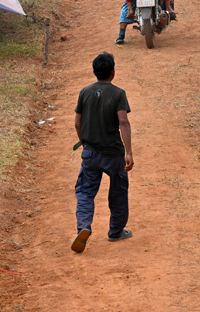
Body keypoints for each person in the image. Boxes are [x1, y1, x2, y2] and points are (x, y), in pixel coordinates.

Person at [72, 53, 133, 252]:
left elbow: (77, 122)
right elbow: (123, 121)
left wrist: (84, 142)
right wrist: (129, 152)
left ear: (94, 72)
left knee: (85, 192)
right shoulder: (118, 94)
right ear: (113, 73)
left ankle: (83, 227)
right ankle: (116, 231)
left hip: (90, 152)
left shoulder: (84, 92)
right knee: (118, 190)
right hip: (113, 153)